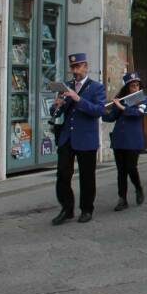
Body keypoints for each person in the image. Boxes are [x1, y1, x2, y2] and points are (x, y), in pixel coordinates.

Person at [50, 52, 106, 225]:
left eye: (78, 67)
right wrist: (56, 105)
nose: (75, 71)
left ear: (85, 67)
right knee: (62, 174)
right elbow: (56, 113)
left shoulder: (96, 87)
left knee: (87, 176)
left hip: (86, 137)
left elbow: (99, 110)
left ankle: (87, 209)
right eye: (73, 67)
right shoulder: (66, 85)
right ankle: (67, 208)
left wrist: (78, 98)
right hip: (67, 136)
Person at [102, 71, 147, 211]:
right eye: (132, 86)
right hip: (119, 139)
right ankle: (122, 199)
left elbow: (137, 113)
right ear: (127, 88)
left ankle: (138, 187)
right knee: (121, 170)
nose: (135, 88)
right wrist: (101, 112)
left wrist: (122, 107)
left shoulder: (143, 99)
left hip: (133, 140)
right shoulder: (121, 99)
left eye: (137, 85)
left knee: (131, 167)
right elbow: (112, 117)